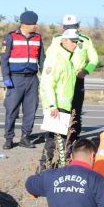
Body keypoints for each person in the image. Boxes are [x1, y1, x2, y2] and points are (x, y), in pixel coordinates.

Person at [0, 10, 44, 150]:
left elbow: (42, 59)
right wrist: (6, 78)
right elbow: (4, 59)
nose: (35, 26)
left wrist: (46, 75)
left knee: (30, 110)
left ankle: (25, 137)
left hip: (32, 79)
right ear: (24, 24)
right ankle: (8, 139)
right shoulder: (10, 37)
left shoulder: (37, 38)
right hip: (15, 79)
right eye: (33, 24)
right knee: (11, 110)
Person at [38, 28, 80, 169]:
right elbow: (47, 83)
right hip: (56, 107)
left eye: (77, 41)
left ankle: (50, 168)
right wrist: (52, 105)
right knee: (54, 141)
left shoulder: (68, 60)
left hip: (65, 107)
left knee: (58, 140)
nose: (75, 44)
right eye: (72, 41)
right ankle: (44, 169)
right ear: (63, 41)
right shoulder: (55, 58)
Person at [60, 14, 100, 142]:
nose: (70, 29)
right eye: (67, 27)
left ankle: (74, 136)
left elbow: (94, 59)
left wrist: (85, 71)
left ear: (78, 26)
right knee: (62, 108)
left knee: (76, 108)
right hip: (63, 80)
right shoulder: (58, 39)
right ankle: (60, 135)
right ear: (63, 27)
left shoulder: (85, 40)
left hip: (77, 79)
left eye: (73, 27)